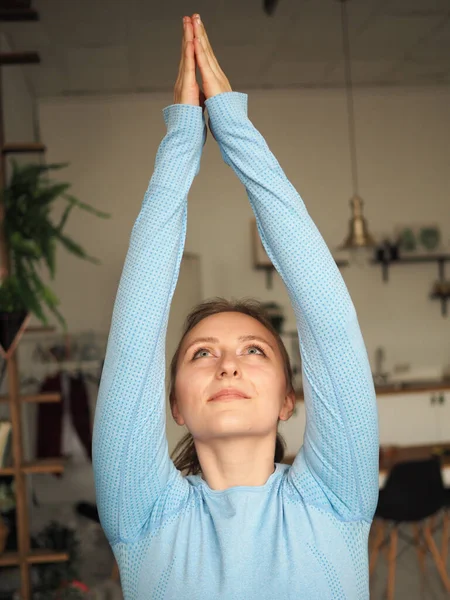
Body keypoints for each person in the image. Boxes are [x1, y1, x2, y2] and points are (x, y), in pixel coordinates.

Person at [92, 14, 379, 600]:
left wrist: (231, 125)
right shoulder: (142, 516)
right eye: (202, 353)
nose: (227, 365)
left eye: (254, 351)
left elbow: (330, 321)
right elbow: (135, 336)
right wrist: (180, 142)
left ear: (287, 399)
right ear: (172, 402)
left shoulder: (337, 499)